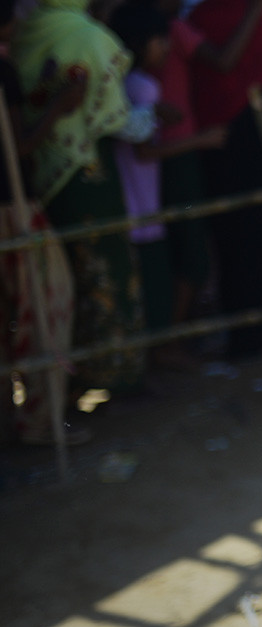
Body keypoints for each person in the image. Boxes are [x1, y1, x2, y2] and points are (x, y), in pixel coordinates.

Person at [13, 0, 156, 398]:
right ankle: (119, 379)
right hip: (89, 173)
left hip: (49, 175)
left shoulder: (26, 36)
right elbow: (117, 117)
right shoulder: (86, 35)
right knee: (108, 272)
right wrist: (150, 115)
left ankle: (79, 378)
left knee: (73, 276)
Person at [107, 0, 227, 352]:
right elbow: (144, 151)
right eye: (160, 41)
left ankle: (165, 346)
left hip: (137, 199)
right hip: (143, 203)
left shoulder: (126, 83)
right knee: (177, 266)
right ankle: (166, 347)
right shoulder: (144, 87)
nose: (166, 48)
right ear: (139, 44)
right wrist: (203, 139)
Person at [187, 0, 262, 359]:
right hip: (242, 139)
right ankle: (259, 333)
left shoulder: (203, 17)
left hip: (229, 140)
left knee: (238, 236)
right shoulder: (255, 13)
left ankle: (252, 334)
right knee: (257, 233)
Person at [0, 0, 84, 446]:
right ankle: (39, 420)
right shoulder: (4, 70)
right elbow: (19, 145)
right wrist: (59, 106)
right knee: (47, 301)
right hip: (11, 208)